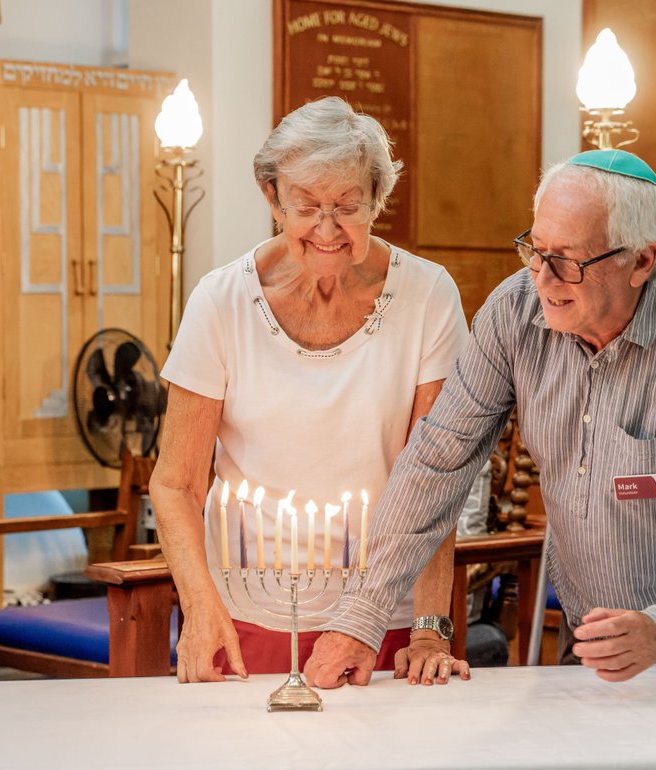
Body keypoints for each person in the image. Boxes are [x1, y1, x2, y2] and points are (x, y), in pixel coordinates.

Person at [304, 149, 656, 687]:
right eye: (535, 251)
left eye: (569, 260)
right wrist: (362, 613)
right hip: (584, 643)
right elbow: (437, 462)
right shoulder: (514, 313)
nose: (543, 278)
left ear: (641, 261)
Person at [150, 96, 471, 685]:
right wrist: (199, 609)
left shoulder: (427, 296)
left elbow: (437, 479)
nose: (327, 229)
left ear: (378, 198)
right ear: (273, 198)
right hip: (245, 613)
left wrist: (430, 627)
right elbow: (175, 482)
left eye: (348, 206)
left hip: (385, 616)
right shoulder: (221, 302)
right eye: (307, 206)